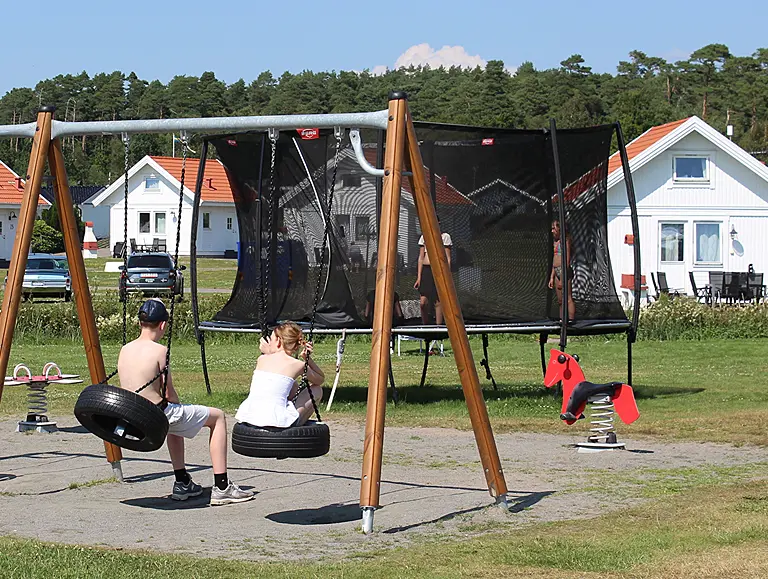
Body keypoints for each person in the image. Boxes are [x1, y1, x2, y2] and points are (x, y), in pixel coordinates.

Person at [118, 299, 254, 506]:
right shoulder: (160, 351)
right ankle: (222, 486)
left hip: (133, 414)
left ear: (140, 323)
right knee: (217, 417)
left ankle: (182, 481)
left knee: (175, 423)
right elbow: (168, 391)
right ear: (163, 325)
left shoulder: (125, 349)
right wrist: (179, 404)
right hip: (158, 413)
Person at [235, 322, 325, 429]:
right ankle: (295, 427)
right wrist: (307, 359)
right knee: (317, 390)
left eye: (271, 339)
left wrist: (269, 353)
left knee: (288, 383)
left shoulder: (262, 359)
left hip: (249, 417)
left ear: (278, 341)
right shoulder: (297, 365)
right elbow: (319, 380)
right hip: (277, 421)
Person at [414, 226, 452, 325]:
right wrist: (419, 277)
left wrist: (447, 275)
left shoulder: (445, 237)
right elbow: (421, 258)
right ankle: (425, 325)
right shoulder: (424, 237)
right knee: (423, 302)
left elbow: (447, 258)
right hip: (426, 270)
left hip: (439, 270)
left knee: (438, 300)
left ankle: (438, 326)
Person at [548, 219, 576, 321]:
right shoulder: (556, 242)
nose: (552, 231)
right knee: (560, 300)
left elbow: (567, 261)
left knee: (568, 298)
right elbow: (554, 260)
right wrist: (552, 277)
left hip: (564, 271)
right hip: (556, 271)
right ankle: (562, 320)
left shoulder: (566, 241)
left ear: (560, 229)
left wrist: (562, 278)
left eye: (554, 229)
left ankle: (571, 320)